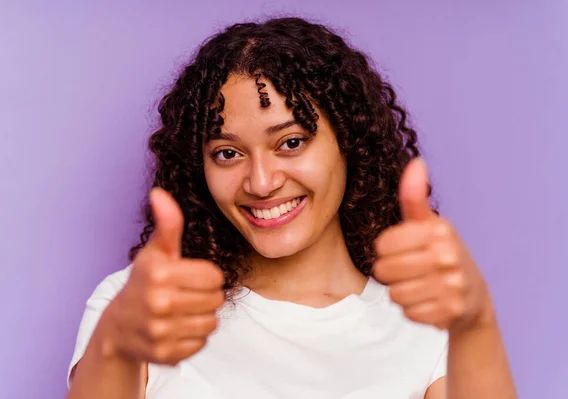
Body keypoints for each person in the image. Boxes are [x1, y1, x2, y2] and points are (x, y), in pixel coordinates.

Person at [65, 17, 516, 399]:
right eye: (227, 153)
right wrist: (117, 347)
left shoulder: (426, 330)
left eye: (291, 142)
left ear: (349, 143)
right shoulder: (141, 308)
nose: (261, 182)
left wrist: (477, 325)